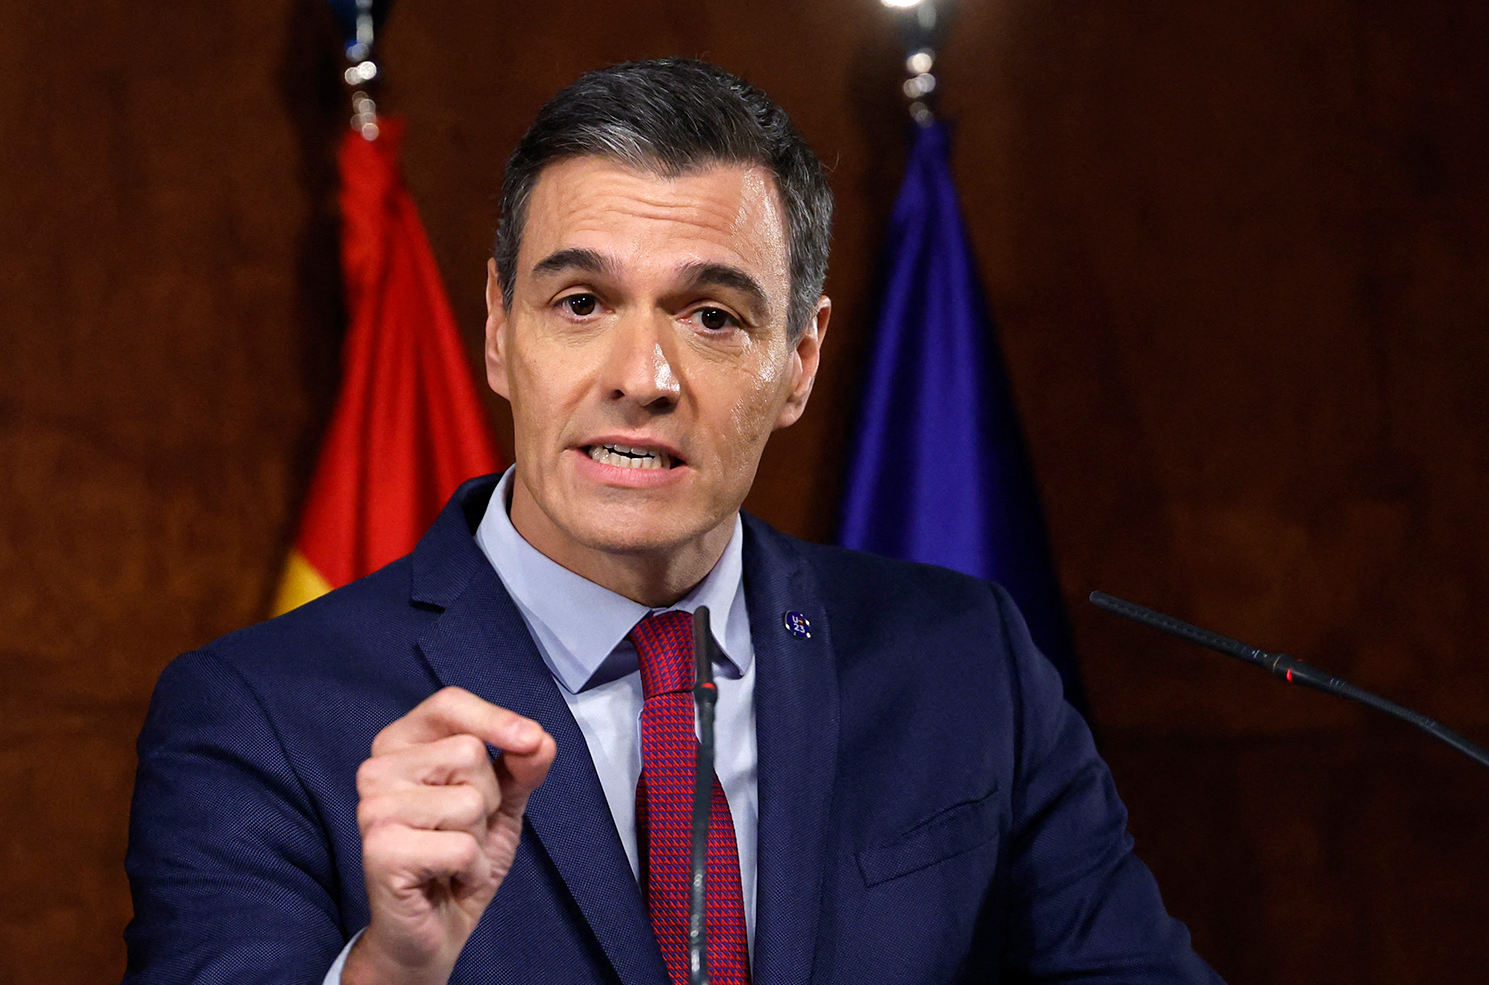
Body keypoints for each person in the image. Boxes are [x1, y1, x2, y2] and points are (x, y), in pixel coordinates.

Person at [123, 58, 1221, 985]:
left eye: (711, 316)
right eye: (581, 303)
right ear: (499, 331)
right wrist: (390, 973)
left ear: (800, 361)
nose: (641, 378)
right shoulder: (254, 717)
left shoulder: (966, 661)